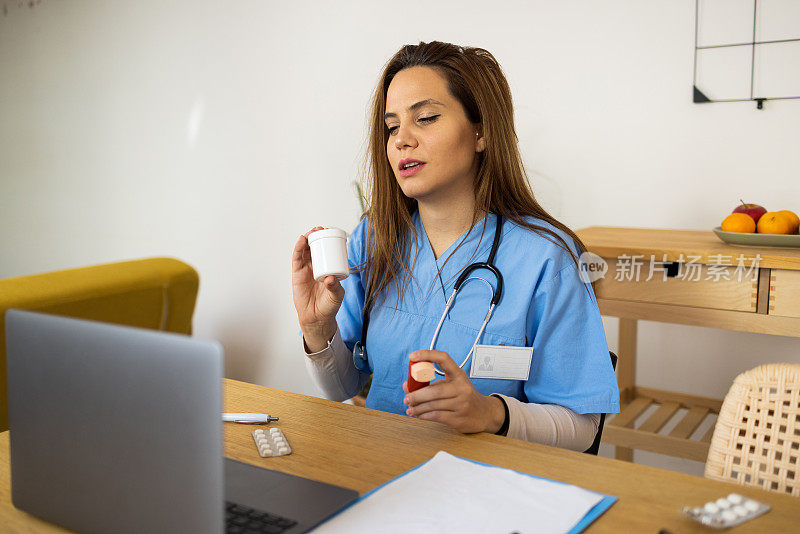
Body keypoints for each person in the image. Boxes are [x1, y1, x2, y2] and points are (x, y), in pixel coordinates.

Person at [291, 41, 619, 451]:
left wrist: (491, 414)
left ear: (481, 132)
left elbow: (582, 427)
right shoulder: (374, 239)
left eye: (425, 118)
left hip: (488, 487)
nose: (401, 141)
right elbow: (342, 386)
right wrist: (317, 328)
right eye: (392, 126)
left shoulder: (546, 258)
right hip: (380, 469)